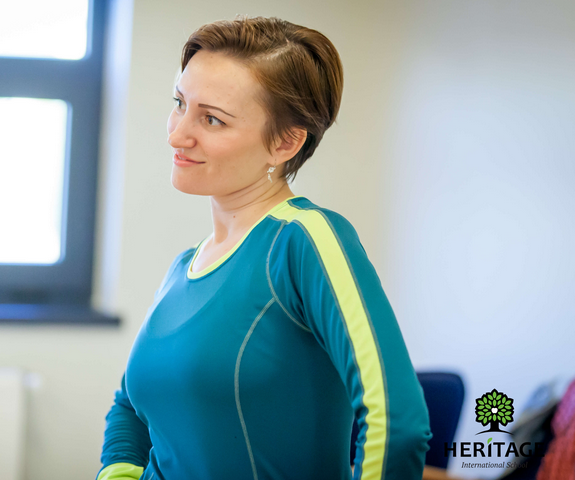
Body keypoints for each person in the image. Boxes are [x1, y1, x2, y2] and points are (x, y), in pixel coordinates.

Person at [96, 14, 432, 480]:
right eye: (180, 103)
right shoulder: (184, 267)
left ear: (285, 142)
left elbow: (398, 424)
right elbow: (131, 406)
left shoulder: (306, 240)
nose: (177, 134)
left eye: (211, 118)